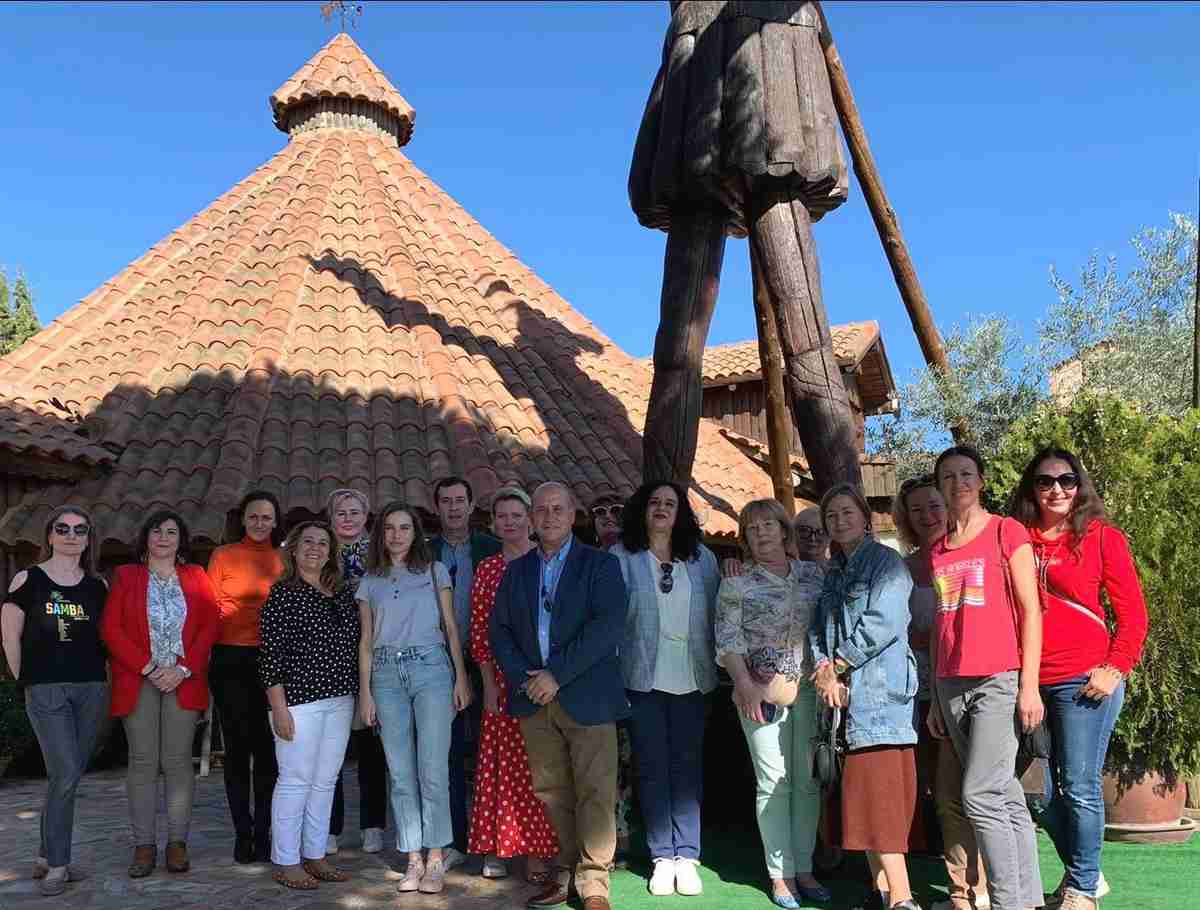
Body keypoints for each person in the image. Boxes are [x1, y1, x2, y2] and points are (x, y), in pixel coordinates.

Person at [1010, 448, 1148, 910]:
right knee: (1038, 792)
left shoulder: (1101, 537)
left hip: (1084, 681)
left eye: (1067, 481)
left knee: (1079, 785)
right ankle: (1085, 873)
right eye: (1046, 481)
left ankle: (1083, 889)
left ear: (1079, 485)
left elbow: (1133, 615)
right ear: (1032, 487)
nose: (1057, 490)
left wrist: (1116, 667)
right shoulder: (1015, 538)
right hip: (1029, 680)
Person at [490, 481, 629, 910]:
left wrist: (556, 674)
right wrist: (527, 678)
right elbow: (500, 631)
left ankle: (594, 884)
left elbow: (606, 628)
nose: (548, 517)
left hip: (586, 696)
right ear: (532, 519)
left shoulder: (600, 566)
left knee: (595, 790)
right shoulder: (516, 571)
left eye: (558, 509)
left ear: (573, 516)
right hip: (535, 698)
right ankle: (568, 870)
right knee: (552, 790)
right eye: (542, 510)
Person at [928, 446, 1044, 910]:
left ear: (981, 480)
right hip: (951, 683)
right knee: (1006, 794)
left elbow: (1031, 609)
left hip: (997, 677)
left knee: (979, 793)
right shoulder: (937, 549)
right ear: (940, 486)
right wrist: (937, 696)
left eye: (967, 474)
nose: (959, 483)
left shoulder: (1005, 532)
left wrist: (1028, 684)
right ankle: (1028, 898)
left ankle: (1006, 902)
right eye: (949, 477)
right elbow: (941, 624)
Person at [716, 498, 829, 909]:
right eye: (752, 527)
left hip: (810, 689)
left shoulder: (815, 575)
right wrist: (743, 683)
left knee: (806, 780)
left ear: (784, 530)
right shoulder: (737, 582)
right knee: (773, 781)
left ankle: (804, 868)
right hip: (758, 690)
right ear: (745, 538)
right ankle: (780, 875)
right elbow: (727, 639)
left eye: (768, 524)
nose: (761, 532)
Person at [811, 484, 919, 910]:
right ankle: (882, 893)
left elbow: (883, 622)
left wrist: (837, 664)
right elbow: (819, 628)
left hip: (880, 701)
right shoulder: (833, 571)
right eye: (831, 516)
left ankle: (904, 899)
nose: (840, 521)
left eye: (846, 513)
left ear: (865, 517)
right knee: (864, 799)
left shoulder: (886, 564)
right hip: (845, 704)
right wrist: (823, 669)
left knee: (883, 802)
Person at [357, 502, 474, 894]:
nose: (396, 535)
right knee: (401, 772)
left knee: (433, 768)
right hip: (387, 676)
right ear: (380, 534)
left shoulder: (434, 571)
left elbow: (451, 628)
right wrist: (365, 694)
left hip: (431, 670)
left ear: (416, 532)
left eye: (404, 527)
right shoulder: (370, 580)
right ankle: (413, 857)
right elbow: (366, 643)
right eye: (389, 528)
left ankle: (437, 856)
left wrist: (461, 678)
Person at [610, 481, 719, 897]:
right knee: (652, 767)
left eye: (669, 503)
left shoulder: (702, 558)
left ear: (681, 513)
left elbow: (717, 612)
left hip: (693, 676)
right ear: (642, 509)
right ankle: (662, 857)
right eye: (654, 502)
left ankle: (687, 856)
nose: (661, 509)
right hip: (642, 678)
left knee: (687, 768)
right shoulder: (621, 557)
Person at [100, 510, 220, 879]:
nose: (164, 538)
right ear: (146, 539)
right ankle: (144, 846)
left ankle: (177, 844)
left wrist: (182, 669)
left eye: (171, 532)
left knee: (177, 761)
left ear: (181, 540)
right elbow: (111, 629)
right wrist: (149, 668)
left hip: (183, 680)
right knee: (142, 762)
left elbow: (210, 624)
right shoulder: (127, 576)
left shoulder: (196, 576)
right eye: (157, 531)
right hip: (139, 680)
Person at [1, 506, 108, 897]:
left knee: (67, 776)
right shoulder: (29, 579)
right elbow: (10, 634)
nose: (71, 535)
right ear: (50, 535)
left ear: (87, 538)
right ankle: (59, 865)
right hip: (46, 690)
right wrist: (26, 680)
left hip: (91, 689)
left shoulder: (98, 586)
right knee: (65, 774)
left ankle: (47, 855)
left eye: (80, 529)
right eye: (62, 528)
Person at [892, 476, 989, 910]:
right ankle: (959, 889)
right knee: (942, 791)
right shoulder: (903, 567)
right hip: (918, 690)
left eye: (933, 505)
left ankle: (986, 883)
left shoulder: (970, 551)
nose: (927, 515)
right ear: (906, 518)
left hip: (970, 684)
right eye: (916, 510)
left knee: (978, 789)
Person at [259, 521, 360, 891]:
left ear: (332, 551)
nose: (315, 548)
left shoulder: (342, 594)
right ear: (294, 550)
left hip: (339, 699)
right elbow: (270, 657)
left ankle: (314, 854)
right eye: (308, 542)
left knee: (325, 781)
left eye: (323, 543)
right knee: (294, 781)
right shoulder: (282, 594)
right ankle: (286, 860)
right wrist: (278, 708)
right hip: (298, 703)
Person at [467, 487, 558, 881]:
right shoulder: (487, 569)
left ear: (531, 519)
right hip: (503, 683)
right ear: (493, 523)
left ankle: (538, 849)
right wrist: (488, 684)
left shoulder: (549, 562)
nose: (510, 522)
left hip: (547, 679)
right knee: (503, 769)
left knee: (543, 768)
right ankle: (500, 847)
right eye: (501, 516)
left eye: (516, 515)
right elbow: (480, 631)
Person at [206, 490, 285, 864]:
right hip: (230, 659)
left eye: (266, 517)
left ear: (274, 521)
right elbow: (209, 608)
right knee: (237, 751)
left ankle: (263, 832)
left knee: (269, 751)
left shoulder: (284, 557)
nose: (259, 523)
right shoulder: (223, 555)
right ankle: (242, 833)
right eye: (253, 517)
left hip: (272, 659)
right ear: (242, 519)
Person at [429, 475, 502, 869]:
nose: (454, 507)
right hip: (440, 665)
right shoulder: (425, 552)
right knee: (449, 755)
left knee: (491, 754)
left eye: (460, 500)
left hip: (489, 663)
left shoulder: (492, 548)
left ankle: (493, 843)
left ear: (472, 506)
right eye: (446, 501)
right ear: (437, 507)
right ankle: (456, 840)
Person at [325, 488, 387, 855]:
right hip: (331, 662)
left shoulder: (380, 555)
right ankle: (329, 827)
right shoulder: (318, 550)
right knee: (331, 748)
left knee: (371, 748)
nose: (347, 518)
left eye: (354, 512)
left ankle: (373, 824)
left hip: (374, 656)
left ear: (366, 517)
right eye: (340, 512)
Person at [589, 492, 634, 866]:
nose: (606, 518)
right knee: (608, 758)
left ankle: (629, 830)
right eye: (598, 513)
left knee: (634, 758)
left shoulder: (638, 557)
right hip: (599, 676)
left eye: (615, 512)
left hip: (637, 672)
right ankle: (611, 834)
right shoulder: (586, 561)